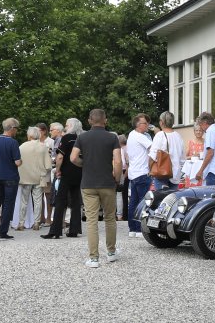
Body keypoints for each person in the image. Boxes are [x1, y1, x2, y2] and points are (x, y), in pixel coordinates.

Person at [72, 108, 122, 267]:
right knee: (110, 218)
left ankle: (94, 258)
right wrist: (117, 178)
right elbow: (118, 161)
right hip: (107, 183)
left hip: (88, 183)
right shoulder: (112, 137)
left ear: (89, 121)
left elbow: (73, 158)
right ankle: (111, 252)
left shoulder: (82, 137)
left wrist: (84, 164)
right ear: (105, 120)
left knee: (91, 221)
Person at [43, 119, 83, 239]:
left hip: (66, 172)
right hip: (79, 172)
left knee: (60, 200)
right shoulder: (81, 138)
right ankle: (74, 229)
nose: (65, 127)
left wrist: (58, 170)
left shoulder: (67, 138)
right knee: (76, 200)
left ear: (70, 126)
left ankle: (55, 230)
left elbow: (60, 157)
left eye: (66, 125)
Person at [0, 119, 23, 241]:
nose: (16, 131)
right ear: (12, 128)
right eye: (16, 128)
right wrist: (21, 161)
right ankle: (2, 232)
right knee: (8, 204)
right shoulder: (13, 142)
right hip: (10, 177)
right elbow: (17, 162)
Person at [123, 114, 154, 233]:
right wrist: (157, 132)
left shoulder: (131, 134)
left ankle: (133, 228)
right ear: (138, 124)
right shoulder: (140, 136)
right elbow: (154, 148)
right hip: (142, 172)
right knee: (143, 202)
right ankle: (140, 229)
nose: (147, 125)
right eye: (145, 123)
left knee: (133, 202)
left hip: (134, 173)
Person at [16, 125, 48, 230]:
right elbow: (48, 165)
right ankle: (36, 223)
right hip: (39, 178)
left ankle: (21, 223)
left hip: (25, 177)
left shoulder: (22, 146)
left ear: (29, 135)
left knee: (24, 201)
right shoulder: (43, 147)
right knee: (38, 200)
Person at [148, 112, 184, 200]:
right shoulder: (178, 136)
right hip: (175, 174)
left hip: (162, 174)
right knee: (172, 202)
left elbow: (152, 156)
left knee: (161, 201)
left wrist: (150, 169)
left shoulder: (160, 135)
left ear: (161, 122)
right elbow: (182, 158)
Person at [181, 119, 205, 188]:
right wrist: (193, 156)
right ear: (194, 132)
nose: (198, 132)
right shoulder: (190, 142)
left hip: (202, 171)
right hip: (191, 171)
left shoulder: (206, 142)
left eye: (200, 130)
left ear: (203, 131)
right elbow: (184, 158)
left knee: (201, 189)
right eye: (196, 130)